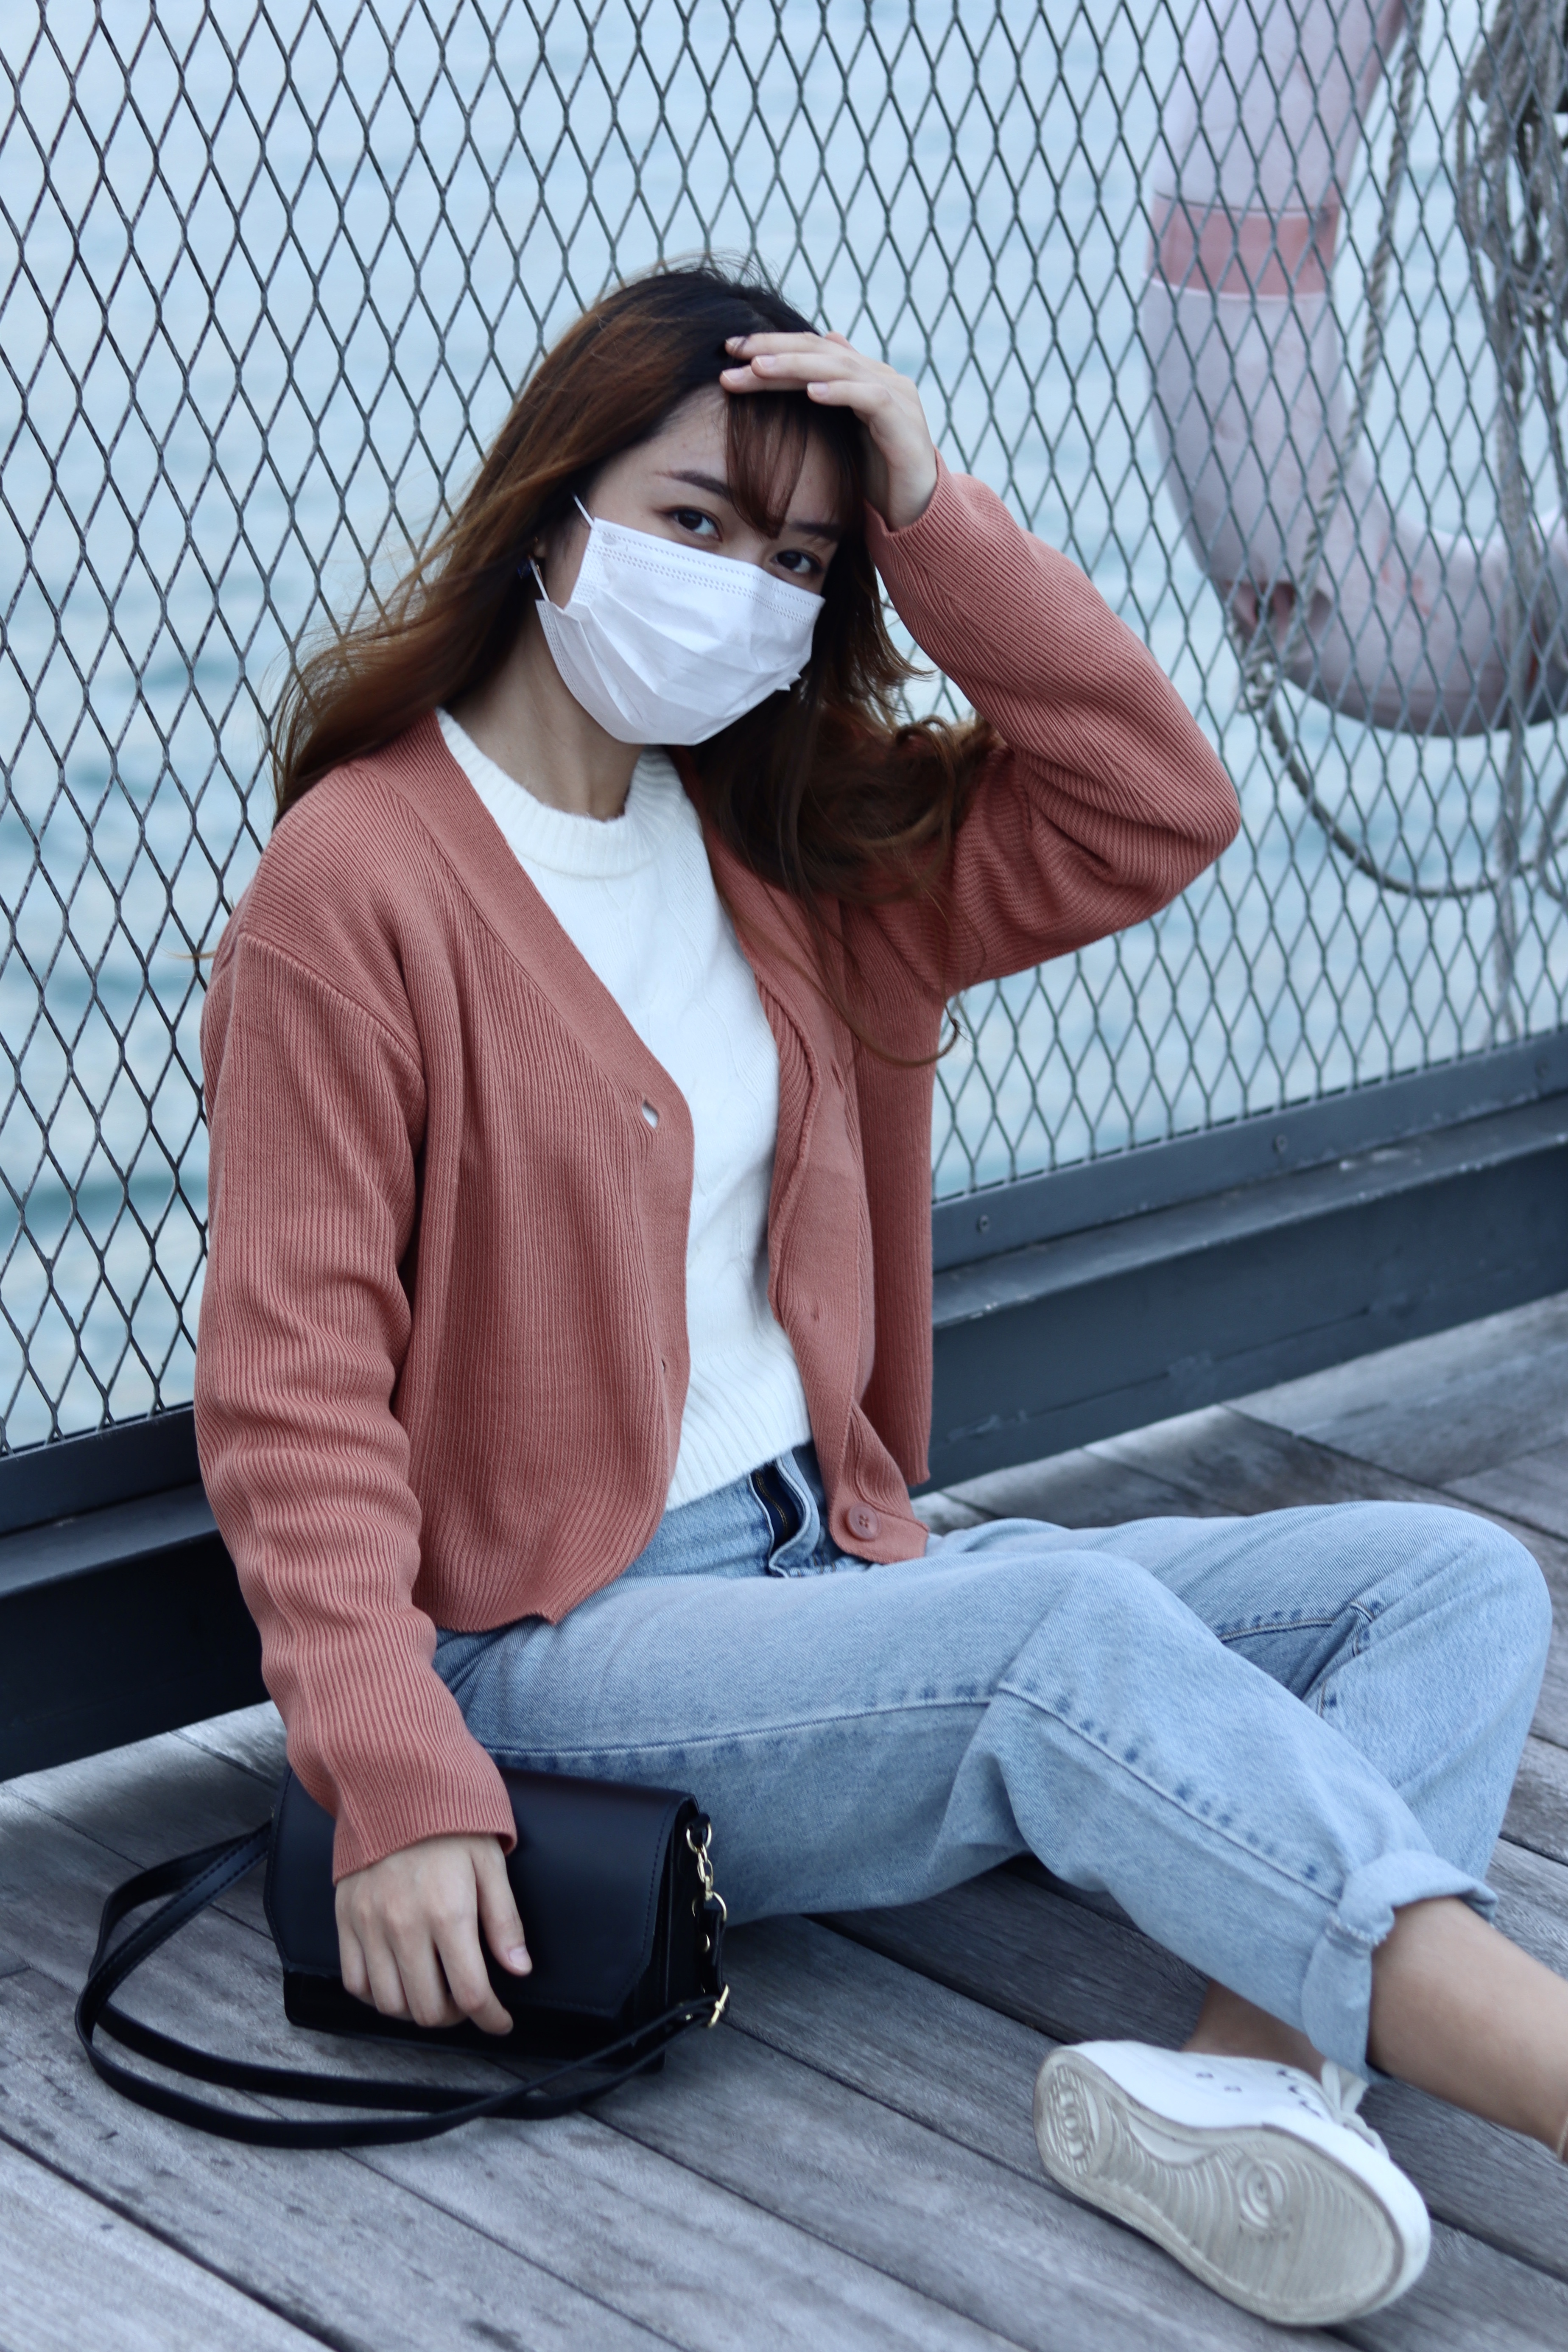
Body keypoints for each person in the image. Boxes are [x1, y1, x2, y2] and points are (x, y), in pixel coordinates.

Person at [194, 262, 1565, 2328]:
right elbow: (289, 1390)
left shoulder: (786, 844)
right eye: (693, 521)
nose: (742, 589)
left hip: (841, 1567)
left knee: (1446, 1583)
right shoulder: (358, 881)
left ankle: (1258, 2081)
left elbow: (1152, 804)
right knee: (1057, 1634)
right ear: (552, 510)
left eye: (798, 560)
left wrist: (928, 519)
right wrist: (393, 1774)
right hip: (555, 1649)